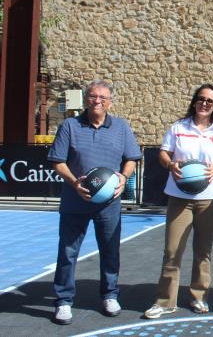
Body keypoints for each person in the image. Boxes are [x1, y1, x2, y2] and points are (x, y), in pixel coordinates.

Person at [47, 80, 143, 325]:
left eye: (102, 97)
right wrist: (73, 182)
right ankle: (63, 300)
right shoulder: (70, 125)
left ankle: (110, 295)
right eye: (92, 96)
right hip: (74, 200)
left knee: (110, 251)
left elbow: (131, 158)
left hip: (108, 203)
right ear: (86, 99)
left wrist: (123, 177)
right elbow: (58, 161)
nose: (97, 101)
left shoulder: (121, 127)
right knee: (68, 252)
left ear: (110, 101)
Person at [144, 84, 213, 319]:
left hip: (211, 199)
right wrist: (170, 164)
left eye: (210, 101)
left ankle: (199, 297)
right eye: (201, 99)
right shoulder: (178, 128)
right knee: (172, 250)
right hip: (180, 197)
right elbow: (164, 153)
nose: (205, 103)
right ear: (195, 101)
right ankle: (165, 301)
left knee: (202, 251)